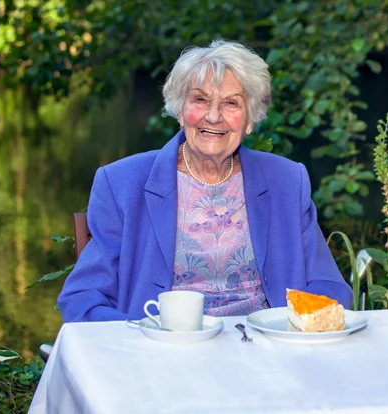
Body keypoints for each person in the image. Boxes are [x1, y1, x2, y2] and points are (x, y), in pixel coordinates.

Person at [58, 40, 353, 322]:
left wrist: (293, 333)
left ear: (250, 119)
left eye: (231, 103)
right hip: (166, 352)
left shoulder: (287, 181)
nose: (213, 116)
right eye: (200, 99)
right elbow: (82, 298)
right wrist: (139, 337)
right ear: (179, 110)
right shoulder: (122, 183)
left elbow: (329, 286)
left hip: (265, 349)